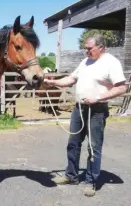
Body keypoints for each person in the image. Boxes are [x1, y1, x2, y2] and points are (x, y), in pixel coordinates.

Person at [44, 34, 127, 197]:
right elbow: (71, 79)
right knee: (73, 143)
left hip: (96, 110)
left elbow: (121, 88)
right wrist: (52, 82)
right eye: (85, 48)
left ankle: (91, 182)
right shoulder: (85, 61)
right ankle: (71, 175)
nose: (86, 51)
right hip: (79, 108)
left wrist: (98, 97)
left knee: (93, 147)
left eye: (89, 48)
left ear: (101, 47)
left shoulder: (111, 63)